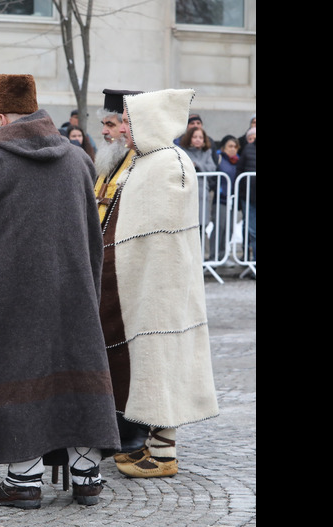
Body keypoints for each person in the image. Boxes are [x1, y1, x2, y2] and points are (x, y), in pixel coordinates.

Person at [0, 74, 120, 510]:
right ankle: (87, 476)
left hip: (13, 293)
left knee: (21, 373)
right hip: (72, 289)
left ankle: (24, 480)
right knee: (78, 371)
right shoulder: (78, 160)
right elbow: (93, 236)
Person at [99, 89, 219, 479]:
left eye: (130, 123)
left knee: (159, 361)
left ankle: (164, 452)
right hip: (131, 283)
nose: (125, 131)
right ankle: (141, 443)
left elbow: (164, 238)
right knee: (139, 364)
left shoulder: (171, 163)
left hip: (160, 288)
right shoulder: (143, 162)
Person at [92, 89, 150, 456]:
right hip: (102, 268)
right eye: (105, 124)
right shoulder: (111, 160)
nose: (107, 131)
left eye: (112, 124)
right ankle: (109, 423)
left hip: (126, 271)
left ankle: (133, 428)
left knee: (125, 350)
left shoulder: (143, 164)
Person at [180, 125, 216, 255]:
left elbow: (211, 168)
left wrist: (198, 165)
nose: (198, 140)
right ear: (189, 138)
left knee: (201, 225)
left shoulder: (207, 152)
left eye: (200, 137)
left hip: (202, 194)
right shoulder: (182, 151)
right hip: (188, 192)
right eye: (195, 137)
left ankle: (200, 257)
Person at [212, 135, 241, 261]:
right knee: (220, 227)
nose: (233, 149)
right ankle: (214, 256)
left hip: (232, 199)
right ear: (223, 148)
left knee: (229, 229)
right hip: (220, 198)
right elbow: (213, 176)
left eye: (235, 146)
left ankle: (223, 256)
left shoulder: (238, 160)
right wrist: (219, 189)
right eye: (230, 146)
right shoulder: (218, 158)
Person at [236, 138, 256, 266]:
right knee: (252, 230)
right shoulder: (248, 148)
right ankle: (254, 262)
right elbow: (239, 170)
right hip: (249, 196)